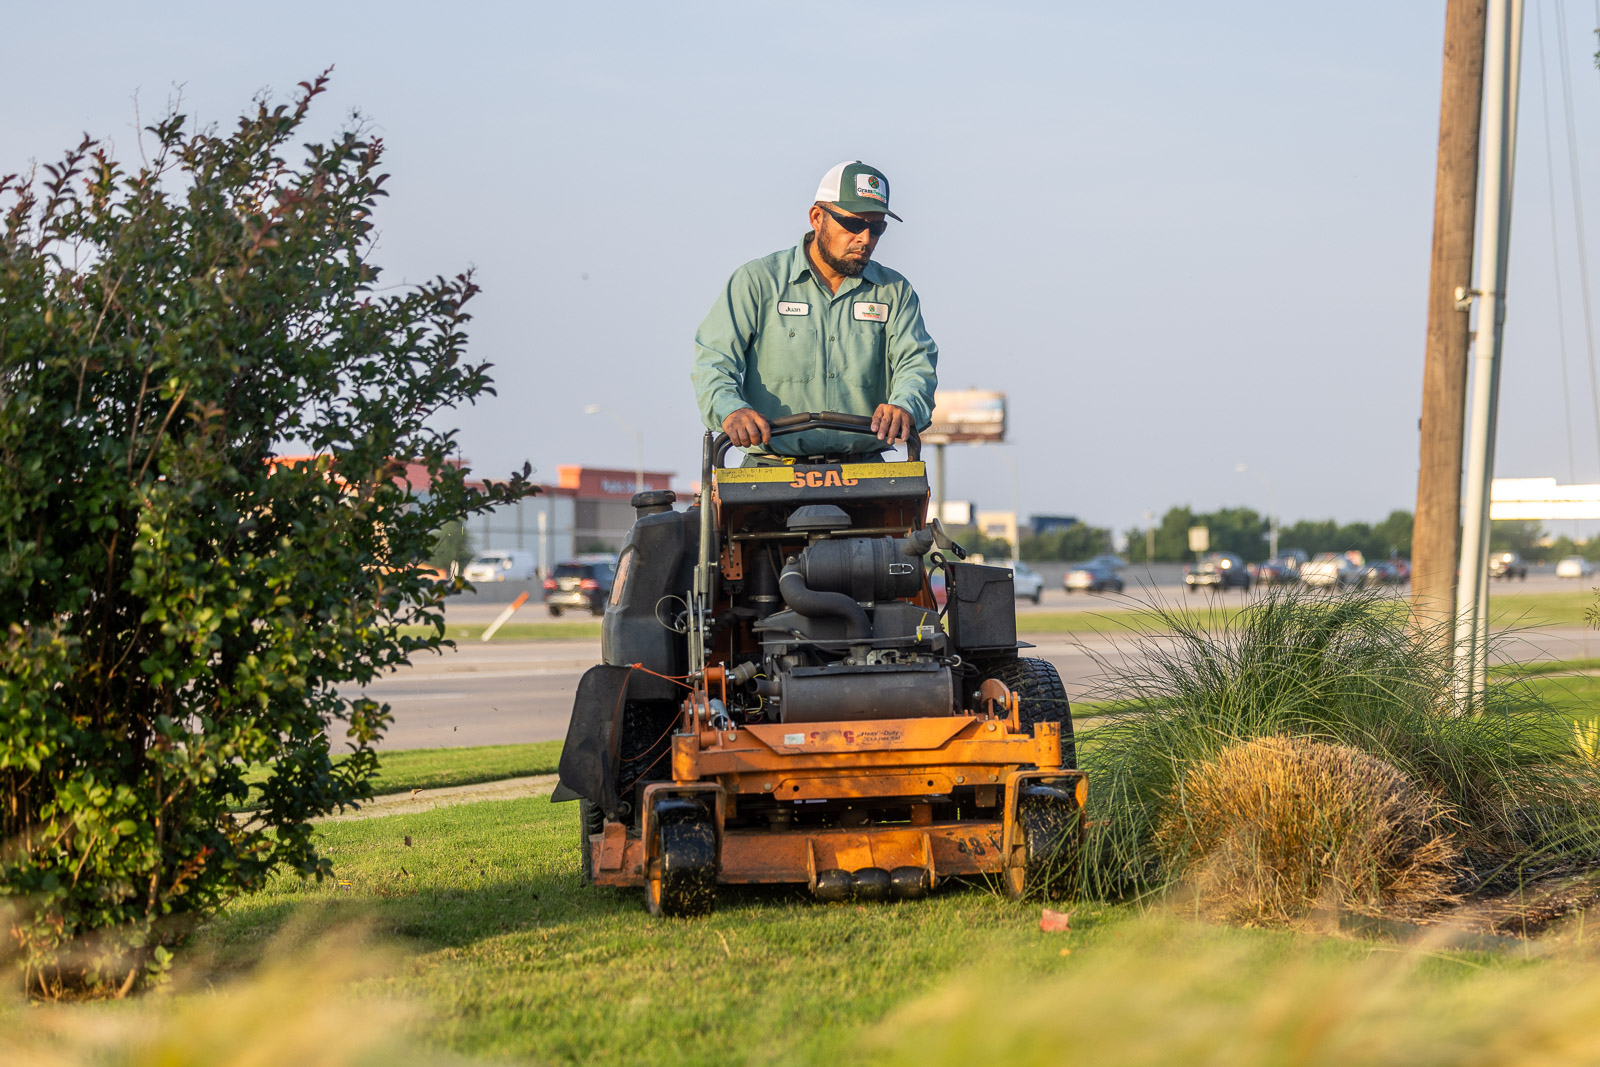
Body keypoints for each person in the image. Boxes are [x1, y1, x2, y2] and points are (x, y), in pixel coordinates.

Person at [691, 161, 938, 462]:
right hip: (769, 472)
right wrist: (731, 409)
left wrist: (905, 405)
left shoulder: (895, 292)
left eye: (876, 228)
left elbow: (916, 365)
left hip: (867, 474)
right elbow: (713, 362)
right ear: (817, 217)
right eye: (854, 224)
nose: (865, 239)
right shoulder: (758, 282)